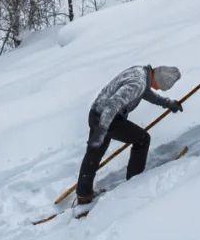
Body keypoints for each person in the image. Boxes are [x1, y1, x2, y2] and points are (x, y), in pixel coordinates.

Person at [75, 64, 183, 204]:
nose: (157, 89)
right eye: (160, 86)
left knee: (94, 154)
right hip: (107, 118)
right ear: (158, 79)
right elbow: (113, 104)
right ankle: (134, 184)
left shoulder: (140, 72)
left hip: (96, 113)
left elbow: (146, 93)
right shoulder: (139, 83)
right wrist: (102, 130)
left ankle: (83, 195)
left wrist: (167, 103)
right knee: (142, 140)